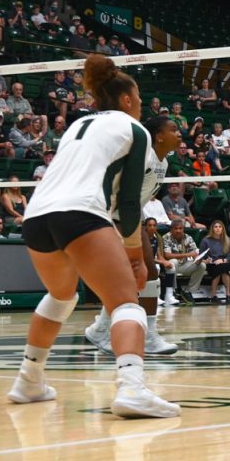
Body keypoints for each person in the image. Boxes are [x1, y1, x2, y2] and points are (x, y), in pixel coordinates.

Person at [6, 54, 178, 418]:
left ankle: (28, 381)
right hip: (81, 212)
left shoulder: (76, 124)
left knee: (60, 296)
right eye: (141, 100)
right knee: (126, 301)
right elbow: (130, 203)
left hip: (37, 215)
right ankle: (132, 387)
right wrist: (134, 255)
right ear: (128, 100)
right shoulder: (136, 130)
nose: (142, 106)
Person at [83, 116, 182, 356]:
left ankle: (147, 335)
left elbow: (140, 198)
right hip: (109, 215)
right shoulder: (143, 156)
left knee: (150, 273)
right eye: (173, 129)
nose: (179, 133)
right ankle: (101, 329)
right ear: (158, 135)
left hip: (130, 217)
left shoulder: (164, 164)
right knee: (126, 276)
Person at [202, 220, 230, 302]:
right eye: (215, 227)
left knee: (223, 267)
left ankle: (215, 295)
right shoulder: (206, 240)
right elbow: (202, 255)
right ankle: (227, 295)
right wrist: (207, 260)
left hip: (224, 262)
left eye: (220, 227)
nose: (218, 229)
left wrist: (223, 260)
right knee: (222, 269)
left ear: (223, 229)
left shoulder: (228, 240)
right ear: (212, 229)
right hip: (212, 263)